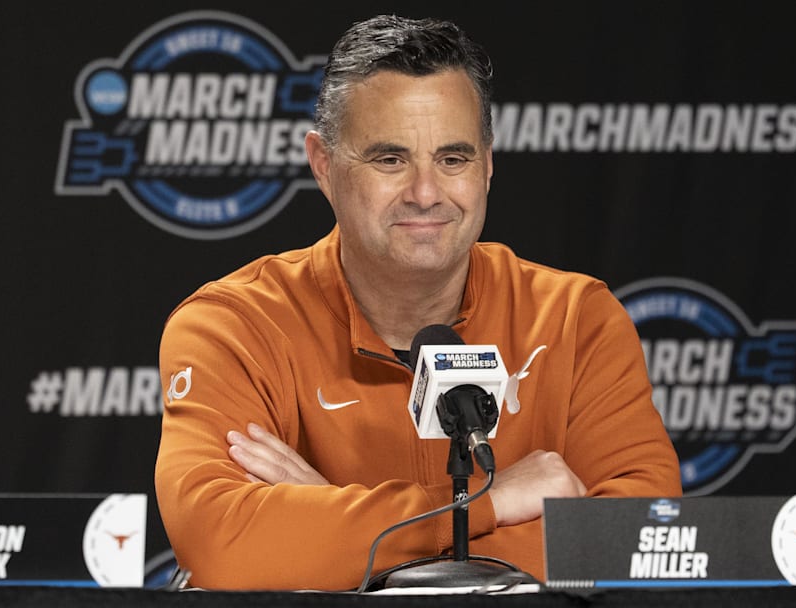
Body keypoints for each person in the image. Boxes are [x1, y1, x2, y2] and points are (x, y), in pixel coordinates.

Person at [155, 14, 680, 591]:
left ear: (488, 165)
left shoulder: (577, 318)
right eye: (390, 160)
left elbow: (636, 546)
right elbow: (221, 545)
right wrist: (483, 506)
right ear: (324, 166)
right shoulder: (235, 326)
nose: (426, 193)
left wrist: (337, 530)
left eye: (453, 159)